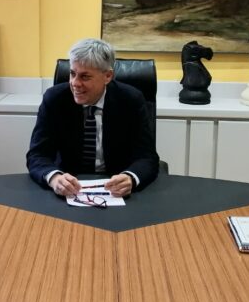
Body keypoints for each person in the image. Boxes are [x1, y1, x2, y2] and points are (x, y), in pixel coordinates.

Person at [26, 38, 159, 197]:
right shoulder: (55, 99)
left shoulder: (131, 100)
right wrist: (54, 177)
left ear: (108, 76)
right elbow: (37, 154)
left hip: (115, 188)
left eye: (85, 77)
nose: (75, 83)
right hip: (69, 187)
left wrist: (130, 177)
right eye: (72, 73)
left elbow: (147, 156)